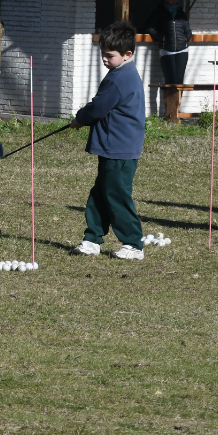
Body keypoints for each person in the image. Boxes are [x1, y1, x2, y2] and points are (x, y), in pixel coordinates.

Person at [70, 21, 147, 260]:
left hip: (119, 149)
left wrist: (80, 118)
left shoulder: (118, 79)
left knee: (117, 195)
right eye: (102, 54)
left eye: (109, 55)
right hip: (113, 147)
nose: (104, 59)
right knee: (101, 193)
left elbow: (98, 108)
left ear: (127, 54)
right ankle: (93, 239)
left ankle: (133, 244)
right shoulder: (123, 72)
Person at [143, 0, 192, 85]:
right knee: (170, 80)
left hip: (182, 49)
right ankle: (168, 101)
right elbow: (148, 27)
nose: (174, 0)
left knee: (179, 80)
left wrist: (187, 37)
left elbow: (187, 28)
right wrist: (162, 37)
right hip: (167, 50)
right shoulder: (159, 12)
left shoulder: (180, 13)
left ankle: (178, 101)